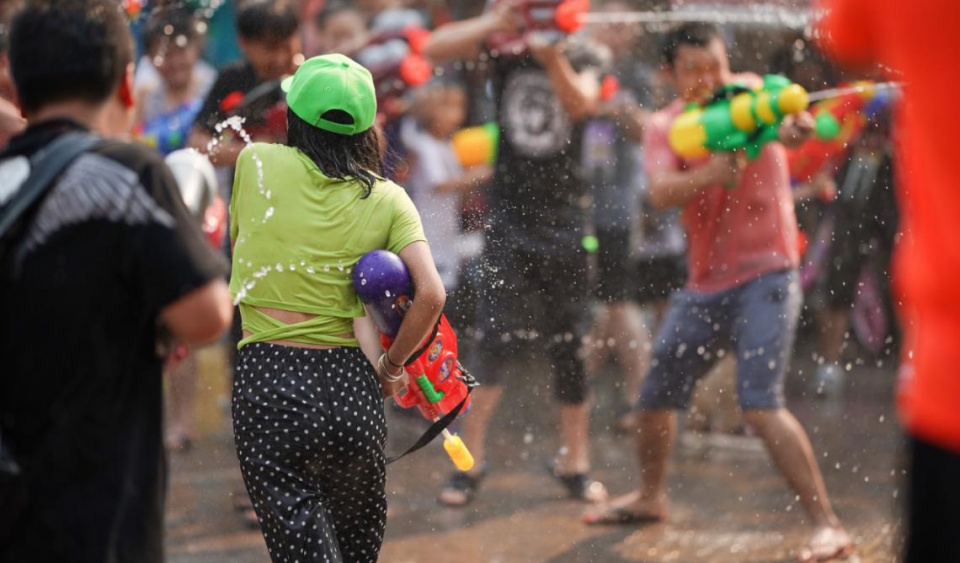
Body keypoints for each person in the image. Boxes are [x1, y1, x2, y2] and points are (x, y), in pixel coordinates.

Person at [583, 23, 853, 562]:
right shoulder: (665, 127)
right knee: (655, 395)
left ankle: (828, 525)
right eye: (694, 70)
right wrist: (711, 172)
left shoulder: (751, 92)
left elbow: (792, 126)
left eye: (716, 65)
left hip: (769, 272)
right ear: (669, 74)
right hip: (705, 283)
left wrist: (794, 126)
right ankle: (651, 495)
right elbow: (659, 192)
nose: (710, 79)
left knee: (759, 403)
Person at [0, 1, 233, 561]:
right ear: (129, 86)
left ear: (17, 84)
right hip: (95, 504)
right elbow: (206, 316)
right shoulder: (128, 173)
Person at [229, 53, 445, 563]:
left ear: (294, 116)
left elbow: (242, 241)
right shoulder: (390, 199)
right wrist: (392, 369)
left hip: (270, 384)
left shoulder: (255, 162)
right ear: (369, 127)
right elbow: (432, 293)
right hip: (353, 387)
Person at [422, 2, 610, 507]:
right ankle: (469, 464)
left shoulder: (586, 52)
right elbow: (433, 47)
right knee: (494, 339)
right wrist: (494, 22)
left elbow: (583, 105)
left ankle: (576, 461)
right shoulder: (507, 49)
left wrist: (553, 59)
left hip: (569, 218)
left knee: (570, 343)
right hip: (510, 218)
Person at [815, 2, 960, 561]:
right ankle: (840, 361)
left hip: (951, 386)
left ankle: (906, 358)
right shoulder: (858, 102)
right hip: (864, 169)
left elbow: (846, 34)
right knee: (846, 269)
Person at [813, 111, 898, 397]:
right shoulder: (848, 107)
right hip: (849, 200)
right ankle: (829, 364)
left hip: (892, 193)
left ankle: (910, 361)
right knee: (838, 280)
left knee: (904, 279)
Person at [401, 80, 493, 325]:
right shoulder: (425, 145)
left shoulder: (447, 146)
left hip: (447, 232)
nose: (458, 115)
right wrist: (475, 175)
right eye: (450, 107)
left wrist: (469, 185)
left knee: (449, 289)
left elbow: (457, 193)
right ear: (431, 112)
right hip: (429, 234)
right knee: (435, 292)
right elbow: (439, 184)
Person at [189, 0, 302, 169]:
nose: (280, 58)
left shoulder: (308, 77)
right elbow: (198, 143)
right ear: (244, 43)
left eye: (287, 47)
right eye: (270, 48)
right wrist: (252, 151)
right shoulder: (231, 80)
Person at [135, 5, 217, 157]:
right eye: (165, 54)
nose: (174, 62)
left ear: (196, 47)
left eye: (180, 51)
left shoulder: (214, 87)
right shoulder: (145, 96)